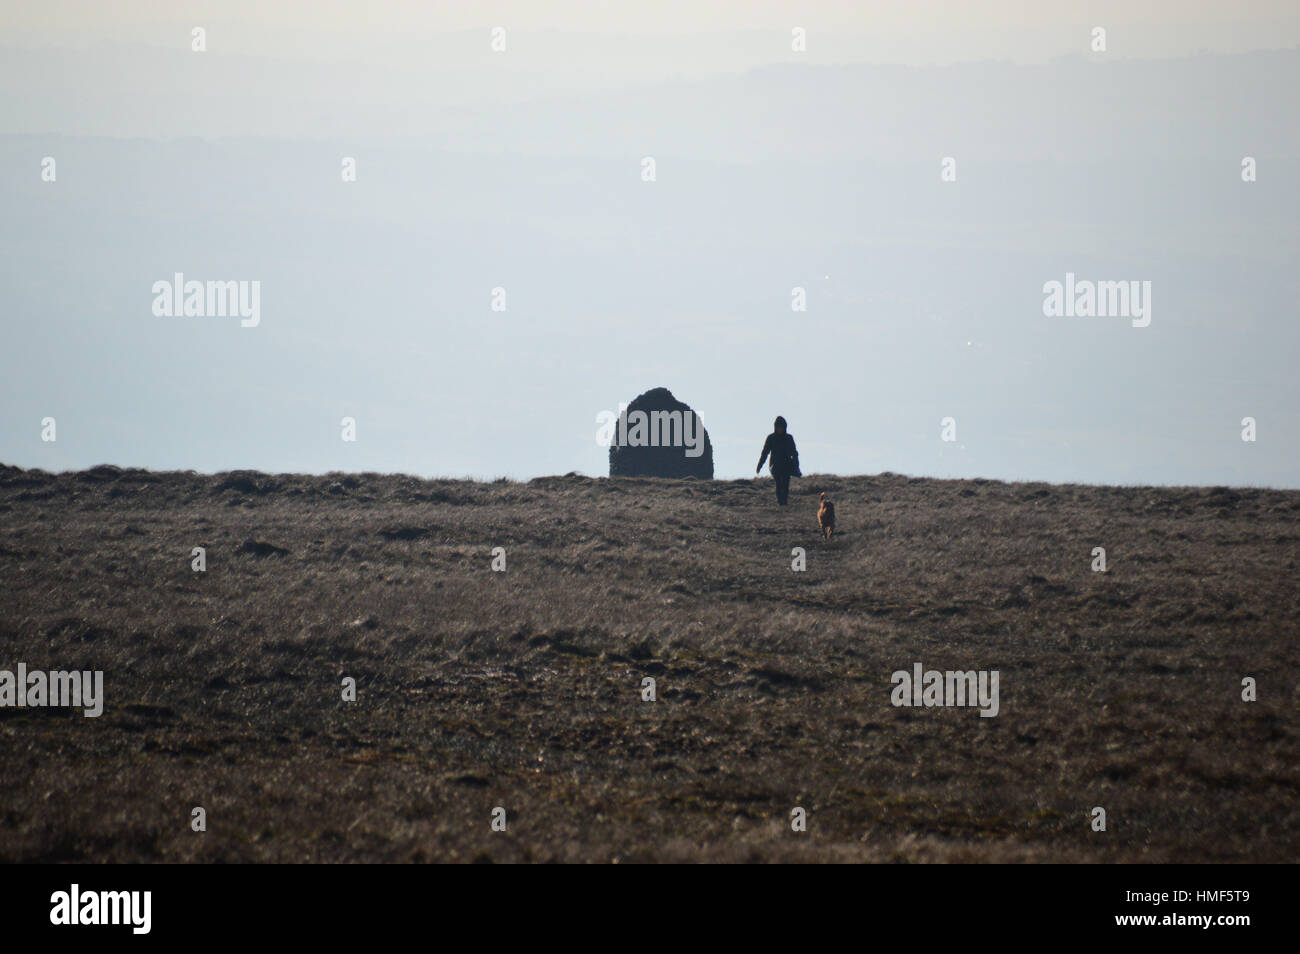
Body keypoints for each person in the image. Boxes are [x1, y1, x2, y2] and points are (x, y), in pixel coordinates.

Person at [756, 416, 801, 505]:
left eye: (782, 427)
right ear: (775, 427)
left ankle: (784, 502)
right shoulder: (771, 438)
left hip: (787, 465)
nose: (780, 429)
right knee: (779, 484)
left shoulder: (789, 438)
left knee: (785, 484)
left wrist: (796, 467)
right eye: (778, 427)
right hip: (775, 465)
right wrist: (759, 465)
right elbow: (765, 453)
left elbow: (794, 453)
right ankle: (780, 502)